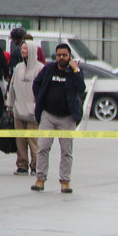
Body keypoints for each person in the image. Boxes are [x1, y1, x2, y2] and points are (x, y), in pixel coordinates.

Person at [31, 43, 86, 194]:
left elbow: (81, 88)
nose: (61, 58)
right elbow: (36, 84)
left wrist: (76, 70)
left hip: (67, 117)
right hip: (48, 115)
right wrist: (39, 99)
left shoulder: (73, 71)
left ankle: (65, 181)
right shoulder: (49, 69)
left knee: (66, 151)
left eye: (64, 55)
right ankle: (40, 179)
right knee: (43, 148)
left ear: (70, 56)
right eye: (59, 55)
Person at [7, 40, 43, 176]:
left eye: (25, 49)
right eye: (22, 49)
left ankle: (35, 165)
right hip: (18, 109)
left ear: (32, 51)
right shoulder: (18, 68)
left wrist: (39, 107)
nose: (23, 51)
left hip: (33, 111)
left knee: (34, 141)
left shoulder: (40, 68)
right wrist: (10, 106)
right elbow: (12, 88)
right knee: (20, 141)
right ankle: (22, 165)